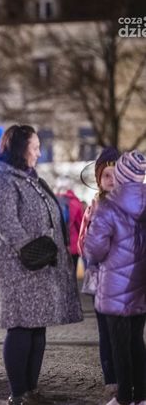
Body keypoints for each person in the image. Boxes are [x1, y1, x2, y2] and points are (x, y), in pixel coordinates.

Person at [0, 125, 83, 405]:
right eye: (35, 147)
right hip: (19, 267)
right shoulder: (2, 180)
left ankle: (31, 390)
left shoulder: (30, 179)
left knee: (38, 328)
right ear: (20, 148)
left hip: (39, 266)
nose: (39, 152)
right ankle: (18, 393)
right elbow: (6, 224)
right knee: (20, 328)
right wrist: (33, 251)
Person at [84, 151, 146, 405]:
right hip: (141, 285)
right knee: (137, 341)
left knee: (119, 344)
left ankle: (123, 397)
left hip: (116, 286)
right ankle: (142, 395)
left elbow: (94, 249)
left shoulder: (108, 207)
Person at [78, 146, 119, 402]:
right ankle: (112, 380)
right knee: (106, 332)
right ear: (98, 179)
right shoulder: (93, 207)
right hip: (102, 281)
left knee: (130, 335)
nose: (112, 179)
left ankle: (133, 380)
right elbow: (84, 246)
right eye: (106, 175)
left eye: (117, 174)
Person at [56, 189, 84, 271]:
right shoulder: (76, 203)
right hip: (73, 243)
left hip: (59, 242)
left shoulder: (57, 200)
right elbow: (80, 224)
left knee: (62, 269)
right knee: (73, 268)